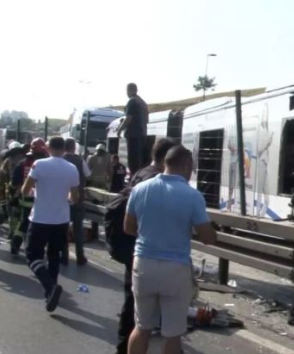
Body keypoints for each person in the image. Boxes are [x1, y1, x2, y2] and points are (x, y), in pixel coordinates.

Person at [125, 145, 216, 354]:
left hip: (143, 264)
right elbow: (207, 238)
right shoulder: (193, 196)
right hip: (175, 268)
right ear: (187, 165)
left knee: (142, 327)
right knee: (172, 334)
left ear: (166, 163)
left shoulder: (140, 189)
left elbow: (128, 228)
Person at [105, 138, 178, 354]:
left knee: (135, 299)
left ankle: (125, 345)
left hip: (133, 246)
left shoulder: (141, 173)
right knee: (142, 305)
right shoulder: (157, 181)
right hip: (145, 248)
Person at [22, 136, 79, 312]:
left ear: (48, 148)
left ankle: (50, 287)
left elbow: (25, 190)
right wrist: (66, 198)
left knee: (32, 255)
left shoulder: (39, 165)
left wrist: (35, 191)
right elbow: (75, 198)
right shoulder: (72, 168)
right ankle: (50, 293)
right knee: (54, 256)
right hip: (61, 219)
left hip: (40, 218)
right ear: (65, 148)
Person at [10, 138, 48, 255]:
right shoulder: (46, 165)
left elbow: (14, 182)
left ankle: (15, 244)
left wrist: (15, 195)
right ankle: (34, 248)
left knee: (24, 222)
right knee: (40, 224)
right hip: (41, 199)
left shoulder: (22, 164)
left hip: (25, 198)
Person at [63, 137, 91, 265]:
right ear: (74, 148)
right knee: (78, 229)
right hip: (78, 199)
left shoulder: (61, 160)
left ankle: (64, 256)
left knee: (63, 228)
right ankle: (80, 257)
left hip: (62, 199)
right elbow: (88, 174)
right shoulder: (80, 160)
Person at [118, 83, 149, 174]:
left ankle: (133, 180)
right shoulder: (143, 103)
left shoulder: (132, 101)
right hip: (142, 134)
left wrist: (120, 129)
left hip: (133, 135)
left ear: (130, 90)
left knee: (133, 162)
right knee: (139, 160)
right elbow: (147, 120)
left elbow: (129, 118)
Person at [0, 141, 25, 238]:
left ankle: (13, 234)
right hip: (24, 192)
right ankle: (18, 234)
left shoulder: (7, 162)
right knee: (22, 215)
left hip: (12, 192)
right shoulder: (26, 160)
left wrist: (1, 196)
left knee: (13, 215)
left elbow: (1, 179)